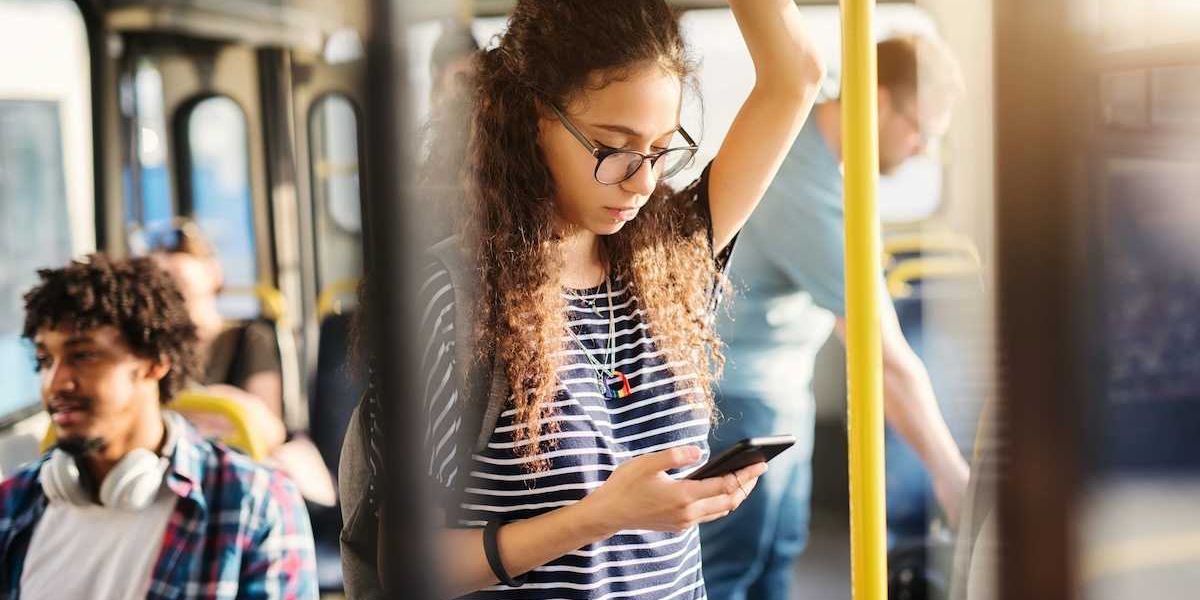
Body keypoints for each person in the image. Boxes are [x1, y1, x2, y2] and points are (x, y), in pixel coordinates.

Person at [338, 0, 825, 598]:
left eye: (659, 149)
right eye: (612, 147)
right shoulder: (452, 297)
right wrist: (602, 516)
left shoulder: (668, 257)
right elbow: (408, 569)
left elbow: (795, 75)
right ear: (530, 119)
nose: (642, 180)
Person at [699, 35, 970, 600]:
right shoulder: (805, 184)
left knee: (774, 566)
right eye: (920, 128)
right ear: (876, 99)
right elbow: (884, 359)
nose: (922, 149)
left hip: (779, 393)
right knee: (729, 576)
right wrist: (953, 478)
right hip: (735, 398)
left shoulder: (828, 158)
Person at [0, 254, 317, 599]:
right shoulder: (15, 503)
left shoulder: (254, 503)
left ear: (155, 362)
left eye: (83, 356)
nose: (55, 383)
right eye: (45, 360)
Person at [152, 222, 337, 506]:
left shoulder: (248, 339)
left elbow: (266, 425)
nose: (174, 297)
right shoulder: (156, 353)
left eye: (182, 287)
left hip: (242, 467)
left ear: (213, 275)